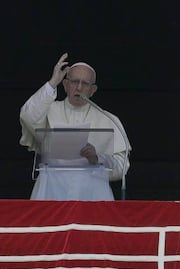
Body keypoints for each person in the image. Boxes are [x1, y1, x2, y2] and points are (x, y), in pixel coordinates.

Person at [19, 52, 131, 200]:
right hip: (51, 192)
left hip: (92, 195)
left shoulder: (109, 119)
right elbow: (28, 115)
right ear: (65, 84)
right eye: (74, 82)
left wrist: (97, 158)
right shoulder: (48, 110)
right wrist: (53, 82)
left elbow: (121, 168)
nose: (79, 88)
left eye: (85, 84)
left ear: (93, 90)